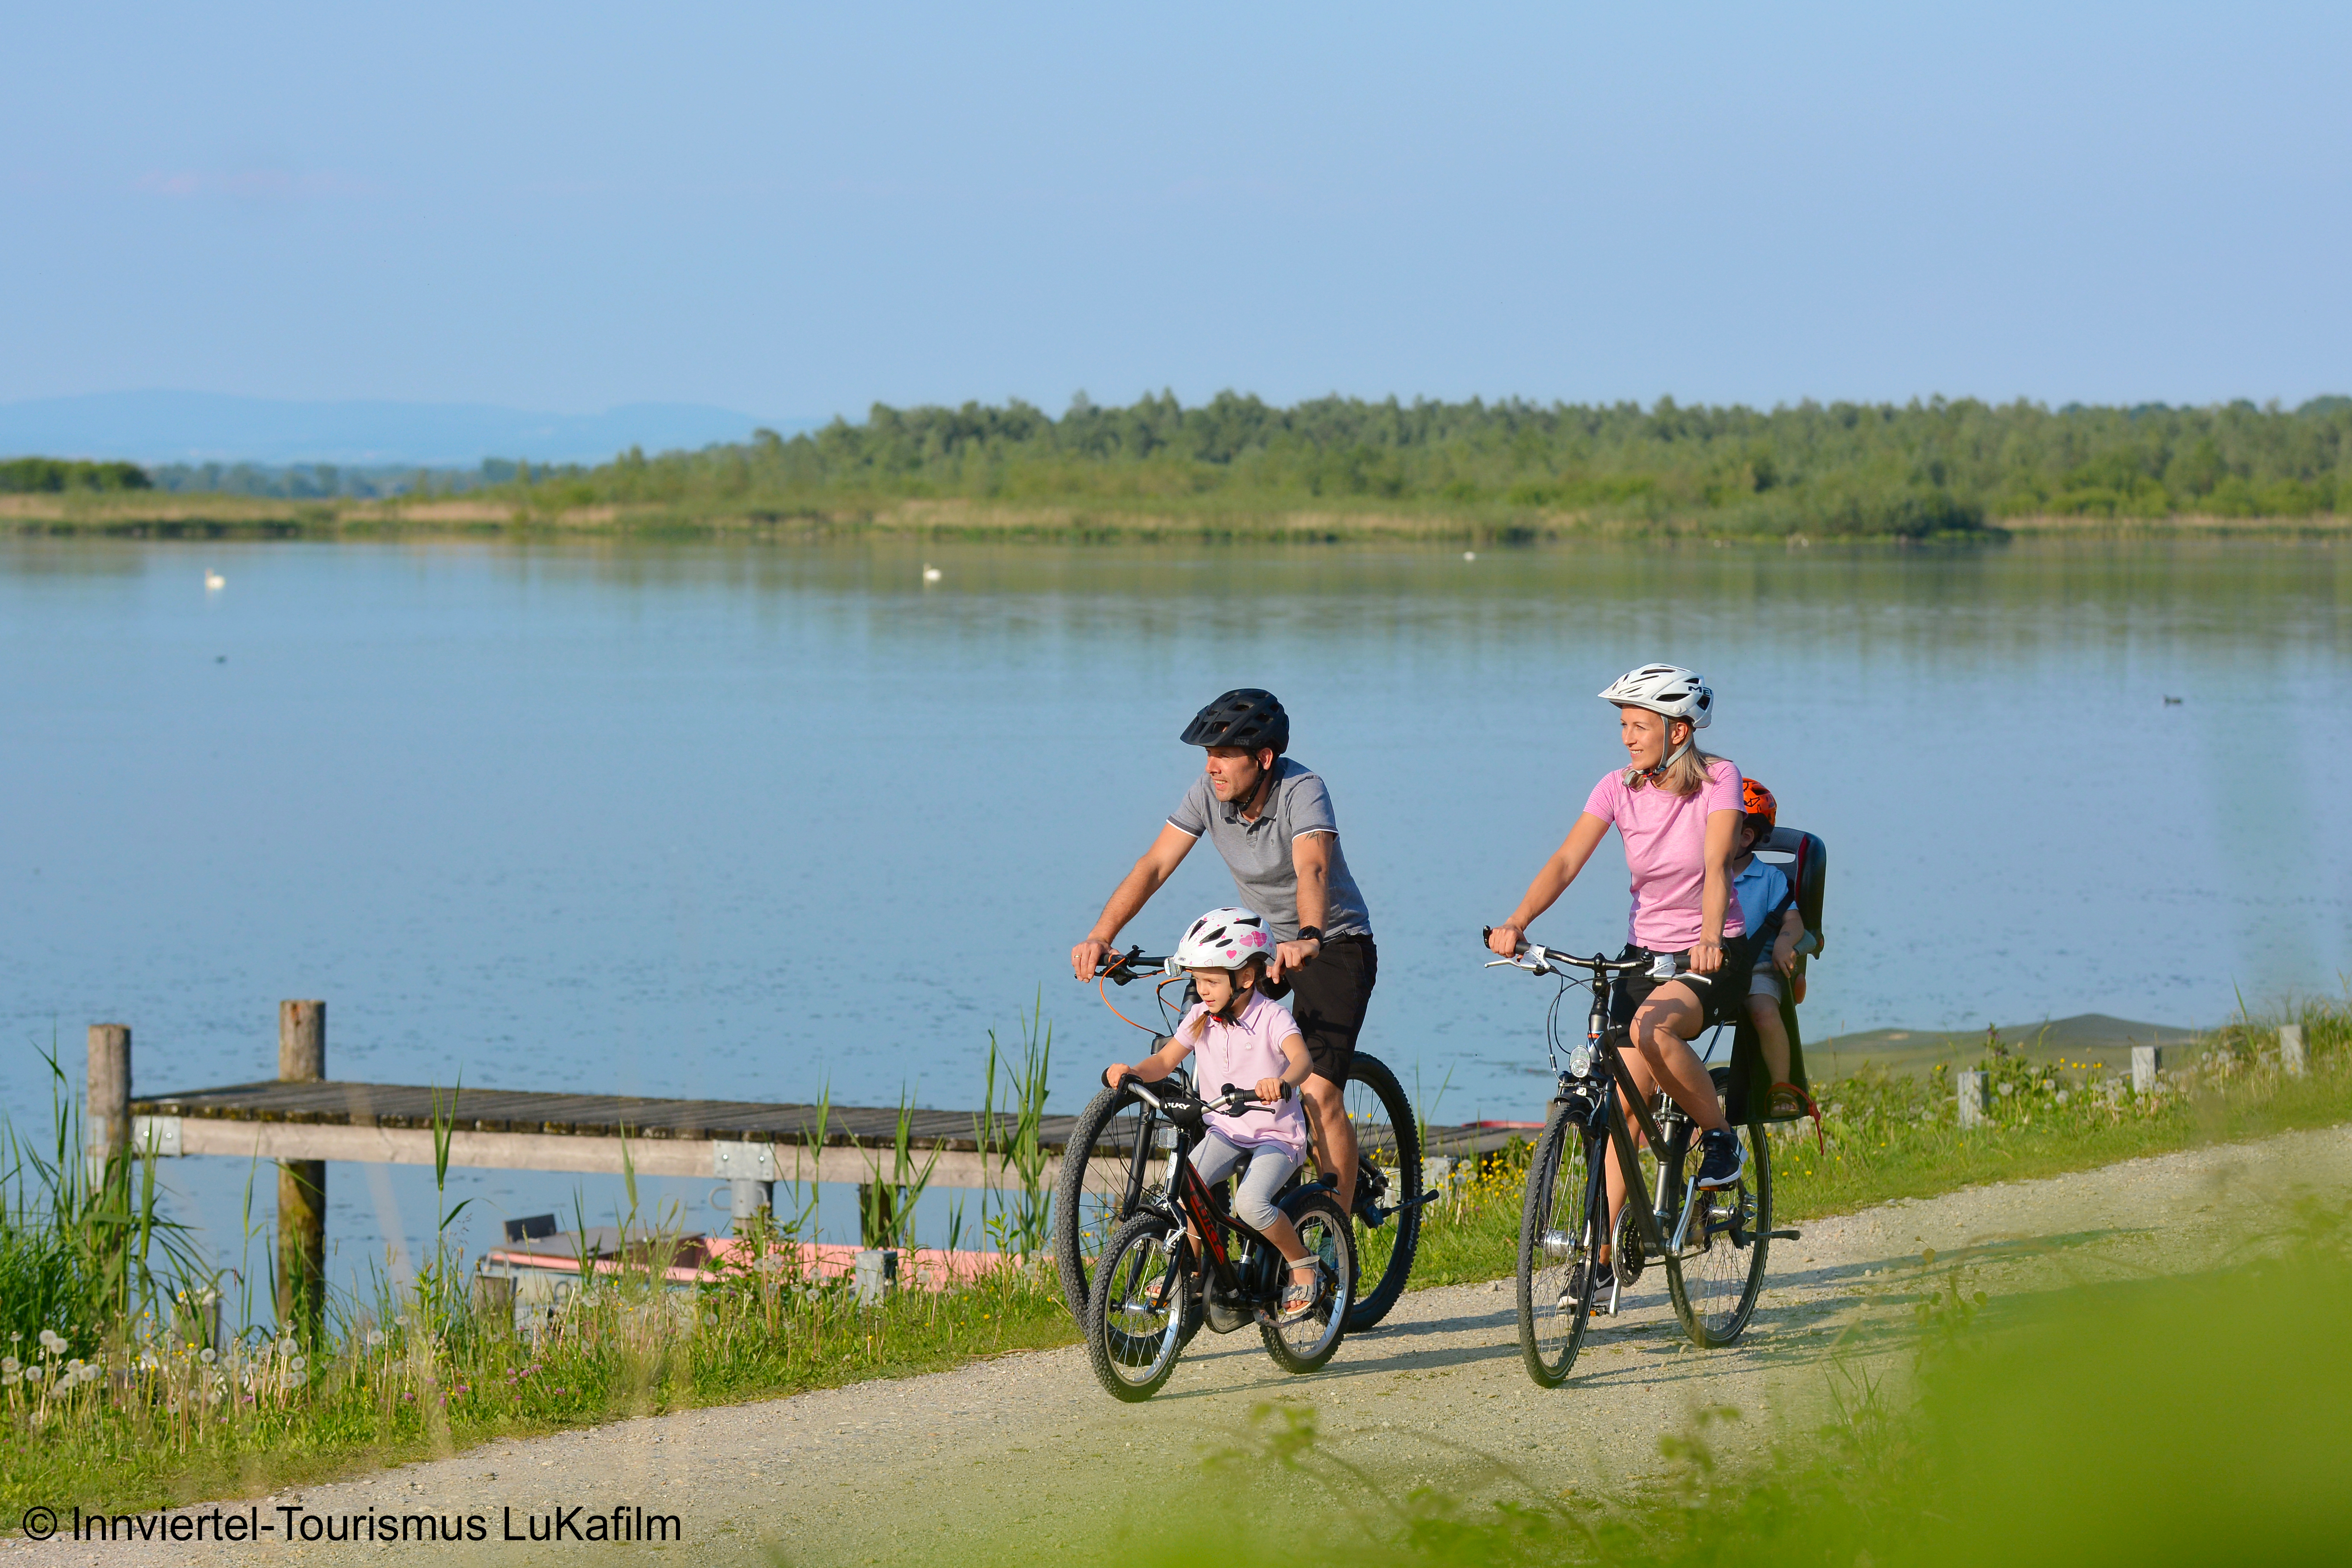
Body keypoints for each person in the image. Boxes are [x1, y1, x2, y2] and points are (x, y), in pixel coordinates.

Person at [1485, 663, 1749, 1303]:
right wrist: (1518, 920)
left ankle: (1719, 1139)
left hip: (1709, 955)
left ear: (1679, 730)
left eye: (1639, 726)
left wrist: (1710, 936)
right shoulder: (1617, 787)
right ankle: (1600, 1257)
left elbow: (1716, 864)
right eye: (1624, 725)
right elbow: (1567, 859)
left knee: (1651, 1028)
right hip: (1643, 955)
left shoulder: (1720, 779)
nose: (1627, 737)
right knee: (1623, 1106)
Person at [1071, 689, 1377, 1217]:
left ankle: (1335, 1240)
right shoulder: (1209, 793)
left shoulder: (1302, 790)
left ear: (1263, 758)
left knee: (1316, 1093)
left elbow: (1314, 869)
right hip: (1258, 950)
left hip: (1332, 943)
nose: (1211, 765)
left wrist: (1308, 934)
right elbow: (1154, 865)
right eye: (1206, 753)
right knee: (1205, 1087)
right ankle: (1205, 1254)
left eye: (1223, 754)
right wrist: (1102, 933)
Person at [1100, 908, 1321, 1321]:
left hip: (1276, 1135)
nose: (1202, 990)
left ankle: (1303, 1265)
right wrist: (1132, 1072)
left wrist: (1283, 1082)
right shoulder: (1202, 1016)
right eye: (1198, 980)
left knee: (1252, 1204)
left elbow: (1302, 1061)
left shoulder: (1272, 1017)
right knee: (1184, 1186)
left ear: (1246, 979)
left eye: (1212, 981)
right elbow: (1165, 1061)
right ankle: (1191, 1267)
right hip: (1226, 1130)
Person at [1729, 778, 1807, 1118]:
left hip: (1754, 967)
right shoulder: (1699, 874)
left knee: (1763, 1009)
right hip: (1704, 965)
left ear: (1746, 837)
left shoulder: (1770, 879)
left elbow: (1793, 921)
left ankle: (1780, 1085)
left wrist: (1784, 944)